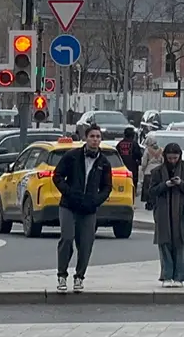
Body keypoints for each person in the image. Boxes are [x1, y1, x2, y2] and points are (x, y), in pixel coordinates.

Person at [51, 124, 113, 293]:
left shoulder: (104, 162)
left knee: (86, 244)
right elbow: (57, 176)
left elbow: (107, 187)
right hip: (69, 205)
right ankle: (61, 275)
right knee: (67, 238)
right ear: (86, 138)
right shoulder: (72, 156)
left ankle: (79, 277)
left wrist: (95, 200)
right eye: (92, 136)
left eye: (98, 137)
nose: (95, 140)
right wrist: (69, 192)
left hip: (89, 209)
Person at [149, 142, 184, 287]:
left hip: (181, 213)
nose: (172, 161)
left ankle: (180, 276)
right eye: (169, 158)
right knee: (164, 244)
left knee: (181, 244)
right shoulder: (157, 172)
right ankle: (166, 276)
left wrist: (181, 184)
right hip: (163, 213)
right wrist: (165, 185)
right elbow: (151, 191)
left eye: (175, 158)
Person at [116, 127, 142, 197]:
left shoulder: (120, 144)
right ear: (133, 135)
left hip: (120, 167)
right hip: (132, 167)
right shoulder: (134, 144)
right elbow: (138, 155)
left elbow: (116, 154)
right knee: (133, 182)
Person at [140, 135, 163, 211]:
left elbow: (144, 163)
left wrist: (143, 170)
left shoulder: (147, 150)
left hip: (149, 171)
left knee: (148, 189)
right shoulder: (161, 150)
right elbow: (163, 161)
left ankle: (149, 204)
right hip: (159, 171)